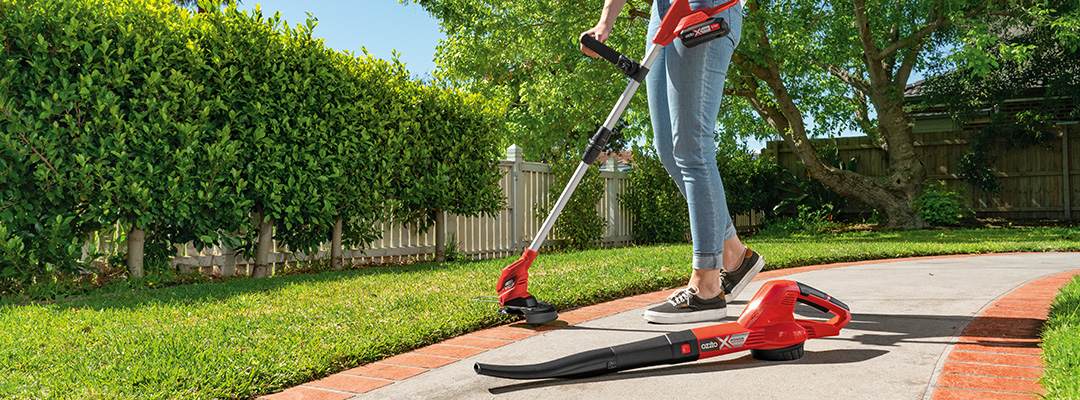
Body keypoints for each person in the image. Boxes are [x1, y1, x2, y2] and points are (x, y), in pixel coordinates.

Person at [581, 0, 764, 324]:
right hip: (663, 11)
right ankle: (734, 254)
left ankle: (707, 287)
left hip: (708, 5)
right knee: (667, 147)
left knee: (692, 144)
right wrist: (605, 22)